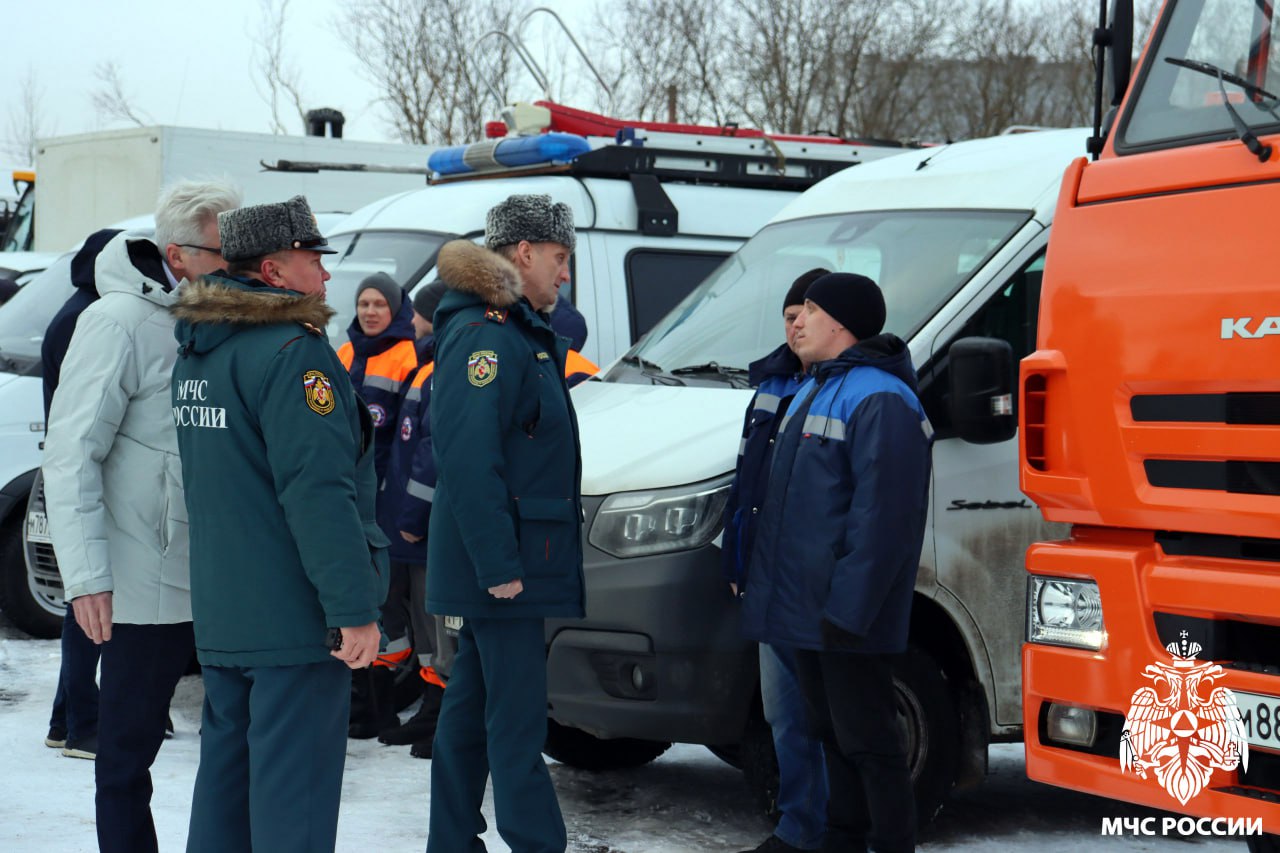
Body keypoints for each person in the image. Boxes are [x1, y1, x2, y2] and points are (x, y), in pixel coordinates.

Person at [171, 194, 388, 853]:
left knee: (226, 797)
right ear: (271, 271)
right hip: (294, 619)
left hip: (226, 612)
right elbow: (317, 491)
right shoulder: (294, 352)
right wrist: (354, 608)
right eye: (312, 260)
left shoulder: (199, 350)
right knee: (293, 805)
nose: (326, 276)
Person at [42, 180, 241, 853]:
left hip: (215, 573)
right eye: (223, 248)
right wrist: (87, 577)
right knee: (126, 759)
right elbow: (71, 454)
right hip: (140, 586)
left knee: (233, 749)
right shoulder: (117, 321)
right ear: (177, 253)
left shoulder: (210, 318)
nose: (235, 260)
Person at [743, 273, 932, 853]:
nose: (796, 321)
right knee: (830, 734)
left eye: (812, 312)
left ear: (843, 324)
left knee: (870, 742)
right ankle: (841, 840)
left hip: (845, 616)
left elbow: (883, 524)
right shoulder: (817, 388)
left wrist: (848, 611)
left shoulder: (880, 397)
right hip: (807, 612)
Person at [426, 193, 585, 853]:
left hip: (512, 562)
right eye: (559, 257)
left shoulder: (516, 330)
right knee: (517, 727)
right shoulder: (488, 335)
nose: (565, 273)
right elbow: (467, 459)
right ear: (523, 254)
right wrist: (498, 566)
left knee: (467, 716)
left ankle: (451, 840)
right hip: (505, 570)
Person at [726, 268, 831, 853]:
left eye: (805, 315)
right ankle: (799, 826)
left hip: (813, 582)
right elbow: (748, 489)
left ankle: (833, 826)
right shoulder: (772, 385)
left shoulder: (850, 387)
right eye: (788, 316)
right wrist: (736, 565)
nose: (794, 326)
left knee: (826, 715)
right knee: (783, 712)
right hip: (766, 579)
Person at [39, 228, 119, 759]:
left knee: (82, 602)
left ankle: (64, 719)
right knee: (85, 605)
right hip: (83, 475)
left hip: (75, 471)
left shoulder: (79, 309)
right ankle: (80, 725)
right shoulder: (85, 319)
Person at [337, 272, 420, 739]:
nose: (370, 312)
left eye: (379, 305)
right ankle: (358, 703)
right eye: (364, 303)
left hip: (386, 496)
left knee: (386, 602)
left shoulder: (407, 355)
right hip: (347, 494)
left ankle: (379, 707)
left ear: (396, 310)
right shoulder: (344, 352)